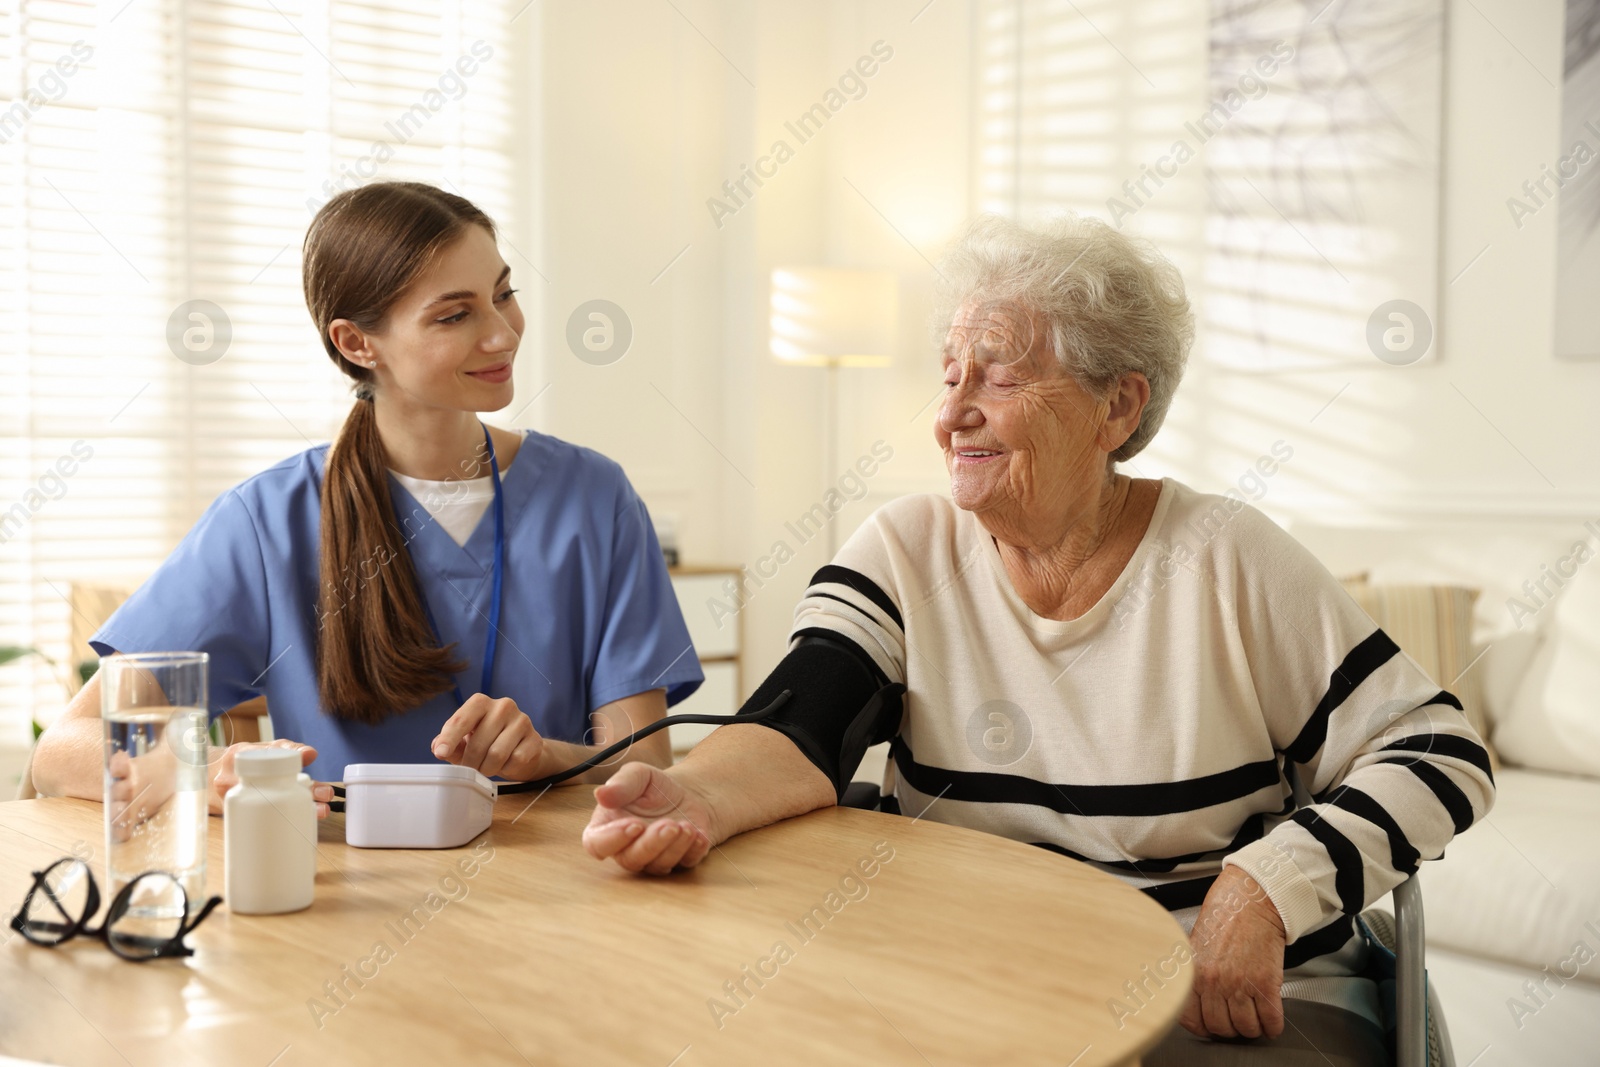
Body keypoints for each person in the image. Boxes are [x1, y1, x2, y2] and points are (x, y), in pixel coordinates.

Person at [579, 214, 1495, 1064]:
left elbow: (1440, 749)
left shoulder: (1226, 558)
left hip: (1214, 993)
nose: (952, 413)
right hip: (979, 988)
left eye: (1001, 376)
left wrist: (1262, 888)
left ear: (1117, 408)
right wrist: (694, 794)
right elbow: (802, 721)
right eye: (948, 376)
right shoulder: (907, 550)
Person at [32, 181, 702, 821]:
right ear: (356, 342)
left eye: (504, 294)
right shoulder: (267, 521)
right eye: (456, 313)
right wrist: (199, 772)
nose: (502, 333)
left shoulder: (594, 497)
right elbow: (63, 749)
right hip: (344, 903)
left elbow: (646, 761)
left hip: (556, 899)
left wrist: (549, 758)